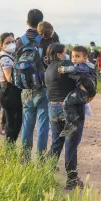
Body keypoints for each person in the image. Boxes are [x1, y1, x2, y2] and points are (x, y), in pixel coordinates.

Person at [45, 43, 91, 190]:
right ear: (59, 54)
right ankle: (71, 180)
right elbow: (84, 80)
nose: (68, 56)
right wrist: (90, 93)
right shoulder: (65, 65)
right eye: (65, 53)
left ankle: (45, 173)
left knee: (57, 142)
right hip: (69, 111)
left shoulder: (48, 68)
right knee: (71, 144)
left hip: (53, 108)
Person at [16, 9, 59, 160]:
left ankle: (24, 158)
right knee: (43, 124)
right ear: (42, 20)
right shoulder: (48, 39)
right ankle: (40, 160)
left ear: (27, 21)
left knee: (27, 123)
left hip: (26, 88)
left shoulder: (20, 40)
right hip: (44, 87)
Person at [57, 46, 97, 136]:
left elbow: (74, 69)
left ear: (85, 57)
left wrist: (64, 69)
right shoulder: (86, 64)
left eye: (77, 56)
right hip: (84, 89)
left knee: (66, 103)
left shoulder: (84, 65)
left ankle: (72, 121)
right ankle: (70, 117)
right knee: (70, 101)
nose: (74, 58)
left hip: (84, 91)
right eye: (73, 56)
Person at [0, 32, 23, 146]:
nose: (11, 44)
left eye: (12, 42)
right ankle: (9, 152)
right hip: (9, 93)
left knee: (15, 123)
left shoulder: (9, 55)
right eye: (8, 42)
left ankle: (9, 150)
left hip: (9, 92)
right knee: (13, 124)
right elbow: (9, 77)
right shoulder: (5, 57)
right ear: (1, 45)